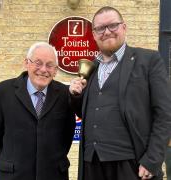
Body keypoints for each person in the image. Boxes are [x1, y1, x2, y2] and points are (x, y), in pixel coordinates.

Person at [69, 6, 171, 180]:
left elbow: (165, 114)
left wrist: (152, 160)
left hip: (131, 164)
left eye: (113, 26)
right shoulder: (91, 68)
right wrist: (76, 95)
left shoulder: (149, 60)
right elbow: (89, 112)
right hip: (91, 164)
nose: (107, 32)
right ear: (94, 34)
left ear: (124, 27)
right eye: (100, 28)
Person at [0, 42, 75, 180]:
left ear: (55, 70)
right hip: (13, 175)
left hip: (54, 174)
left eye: (49, 65)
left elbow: (67, 136)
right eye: (38, 63)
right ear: (27, 63)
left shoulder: (65, 95)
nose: (43, 69)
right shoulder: (1, 92)